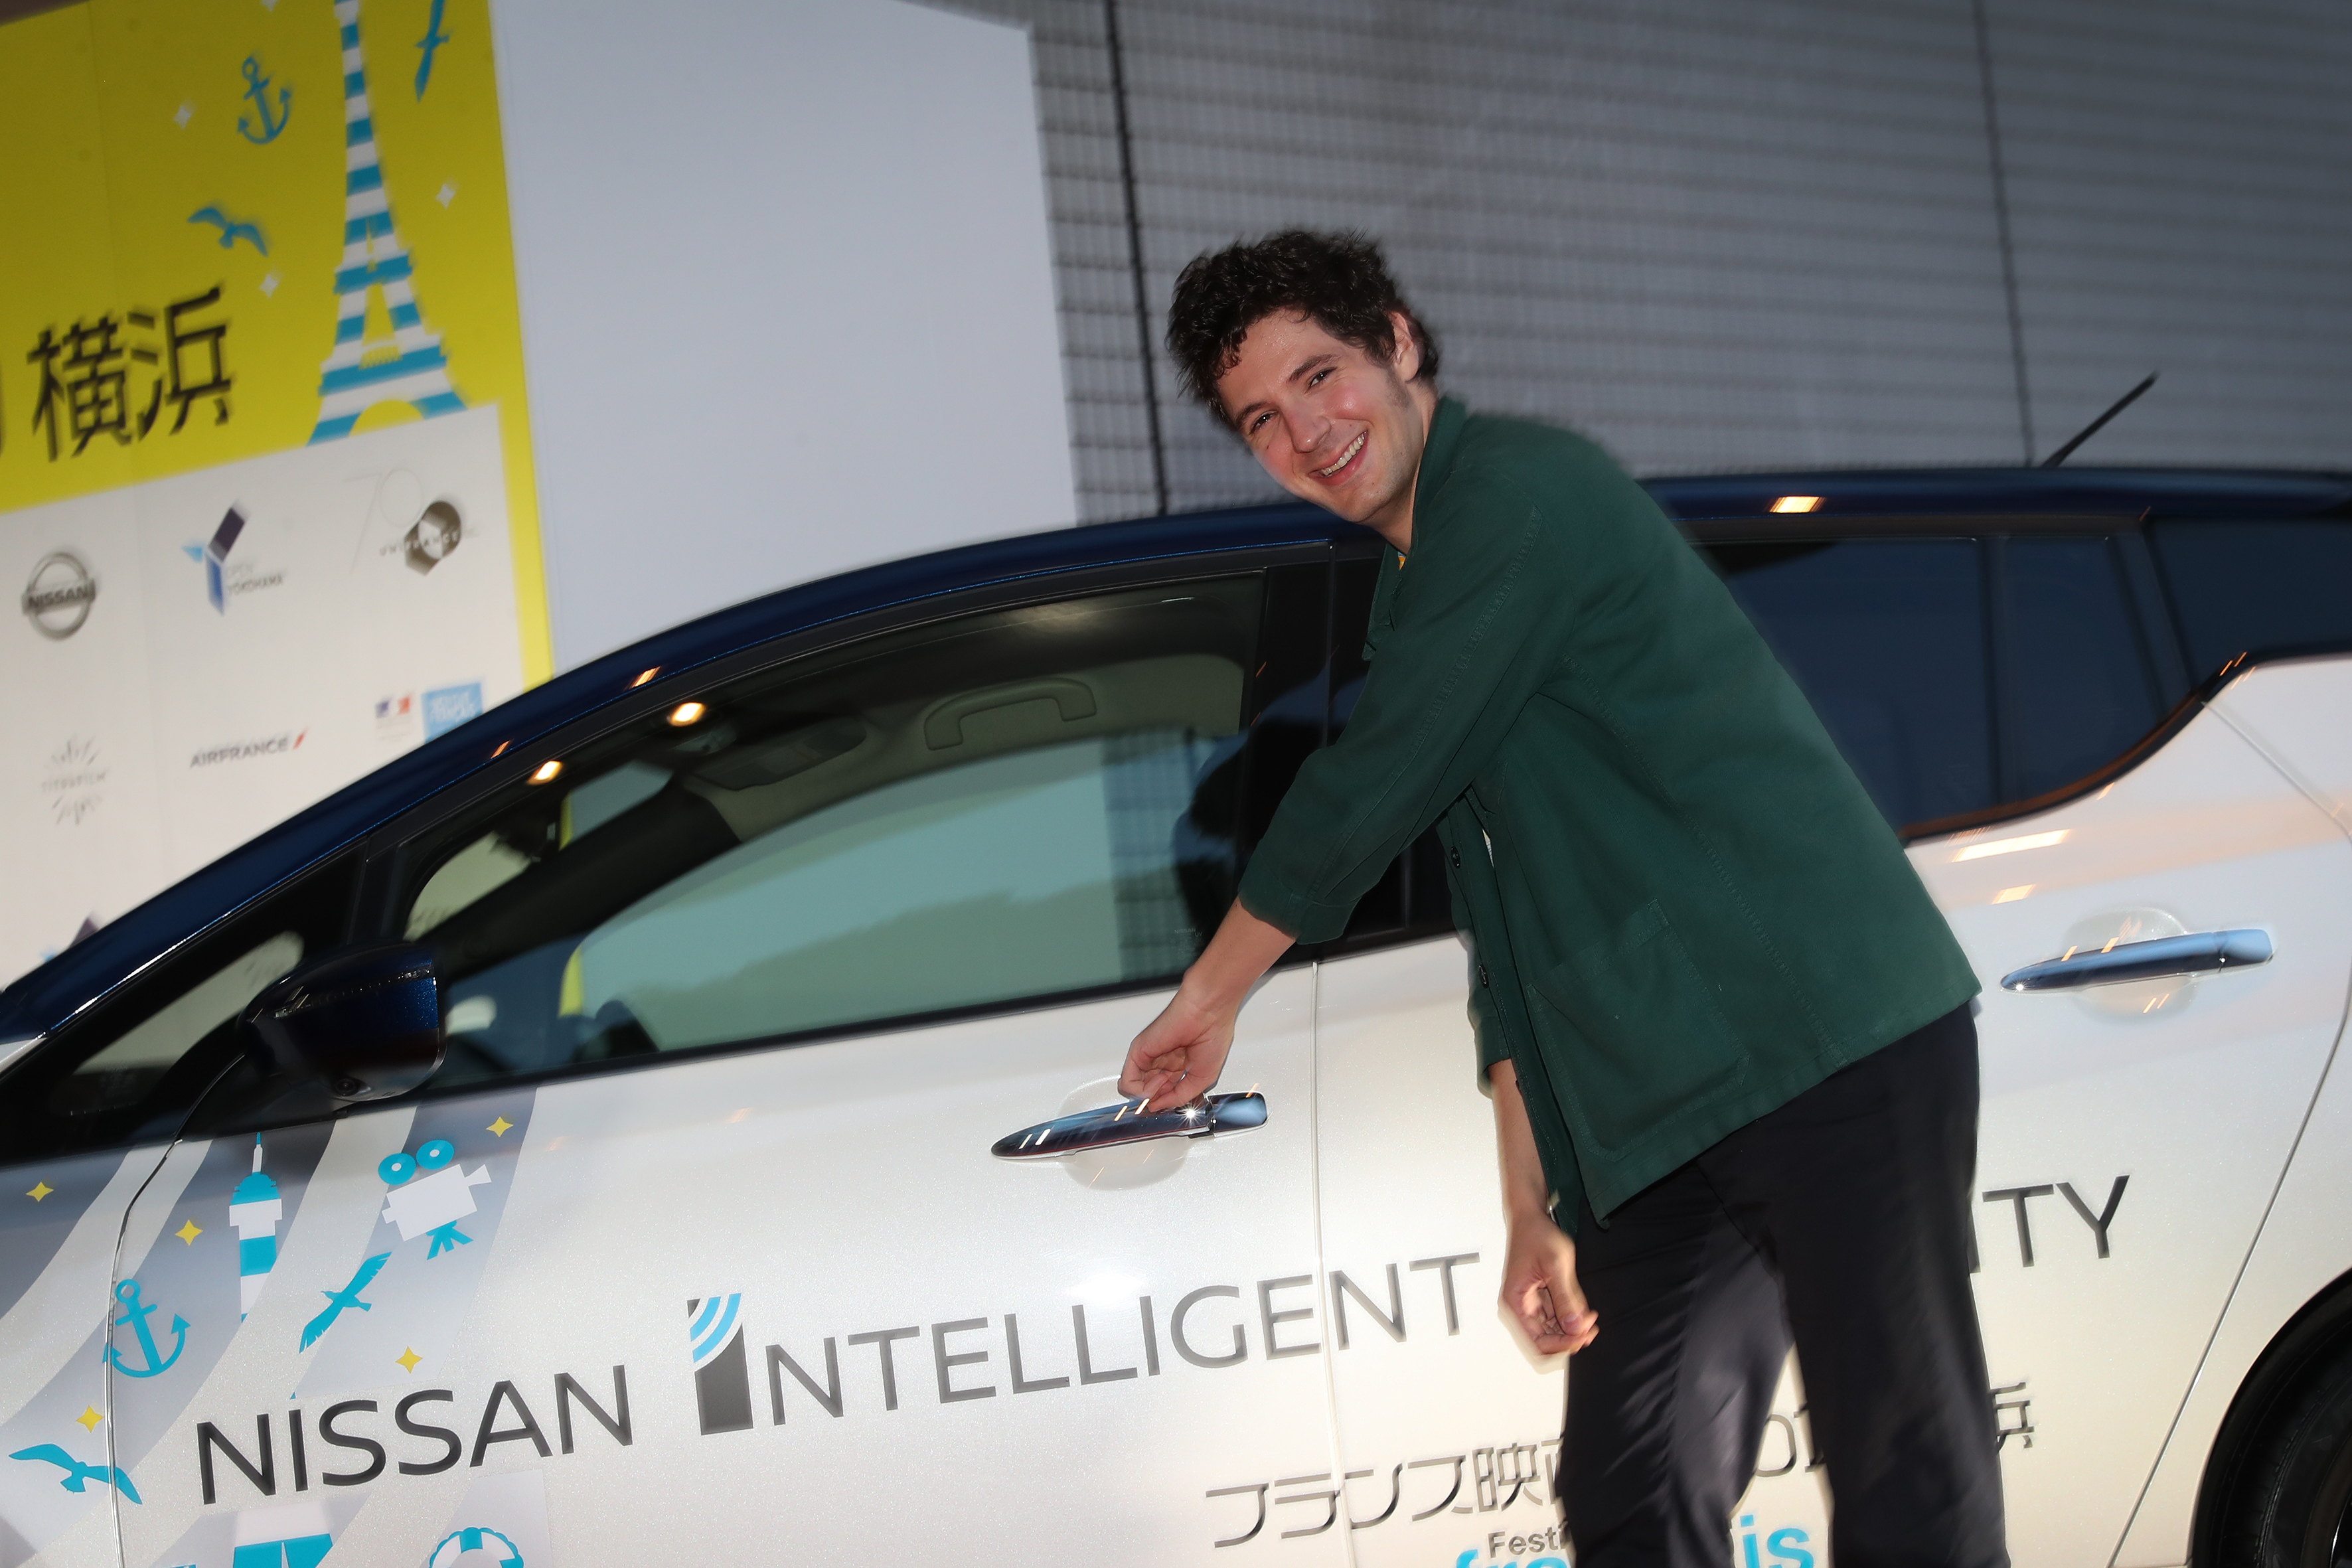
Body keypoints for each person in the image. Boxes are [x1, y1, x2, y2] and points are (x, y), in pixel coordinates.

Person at [1118, 230, 2007, 1568]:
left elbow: (1372, 784)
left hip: (1824, 1035)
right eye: (1262, 416)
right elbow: (1508, 914)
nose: (1305, 429)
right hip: (1664, 1105)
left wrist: (1209, 993)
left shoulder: (1521, 497)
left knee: (1903, 1473)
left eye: (1320, 374)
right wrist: (1531, 1200)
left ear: (1398, 343)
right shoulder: (1420, 579)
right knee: (1626, 1490)